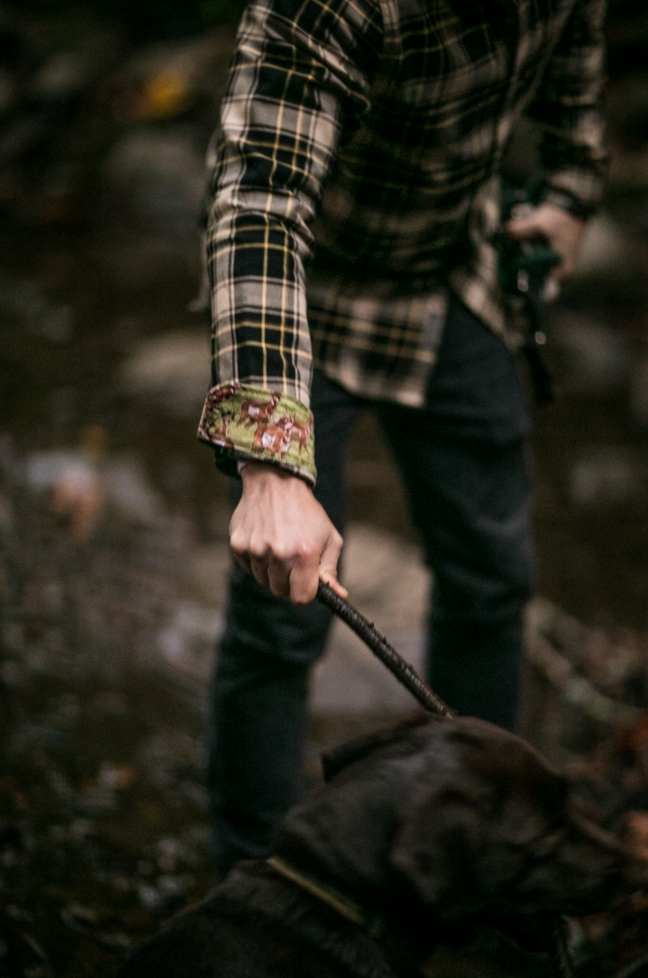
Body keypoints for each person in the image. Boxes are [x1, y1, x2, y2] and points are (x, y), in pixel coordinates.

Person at [197, 0, 606, 876]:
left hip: (454, 271)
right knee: (282, 613)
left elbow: (577, 49)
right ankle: (253, 881)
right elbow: (261, 200)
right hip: (307, 288)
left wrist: (572, 186)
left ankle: (474, 859)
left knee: (494, 585)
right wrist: (269, 460)